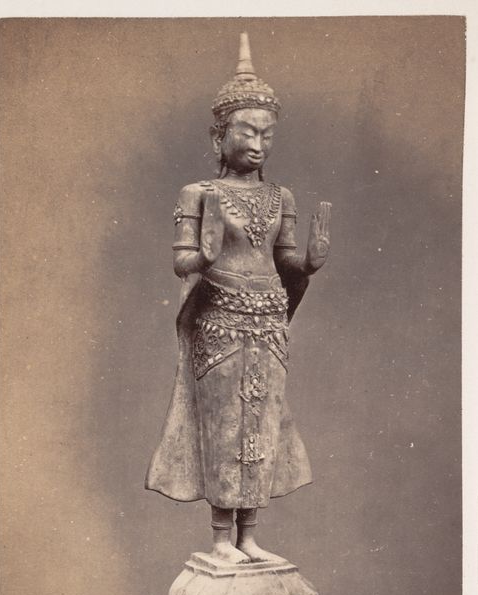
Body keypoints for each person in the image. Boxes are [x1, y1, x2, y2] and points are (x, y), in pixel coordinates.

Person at [146, 33, 331, 564]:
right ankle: (222, 539)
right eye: (247, 131)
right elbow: (181, 262)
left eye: (267, 135)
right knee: (224, 423)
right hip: (220, 322)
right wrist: (203, 256)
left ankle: (250, 534)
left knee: (263, 422)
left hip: (269, 322)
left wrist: (310, 263)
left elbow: (285, 262)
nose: (258, 143)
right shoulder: (199, 194)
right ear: (219, 134)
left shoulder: (281, 196)